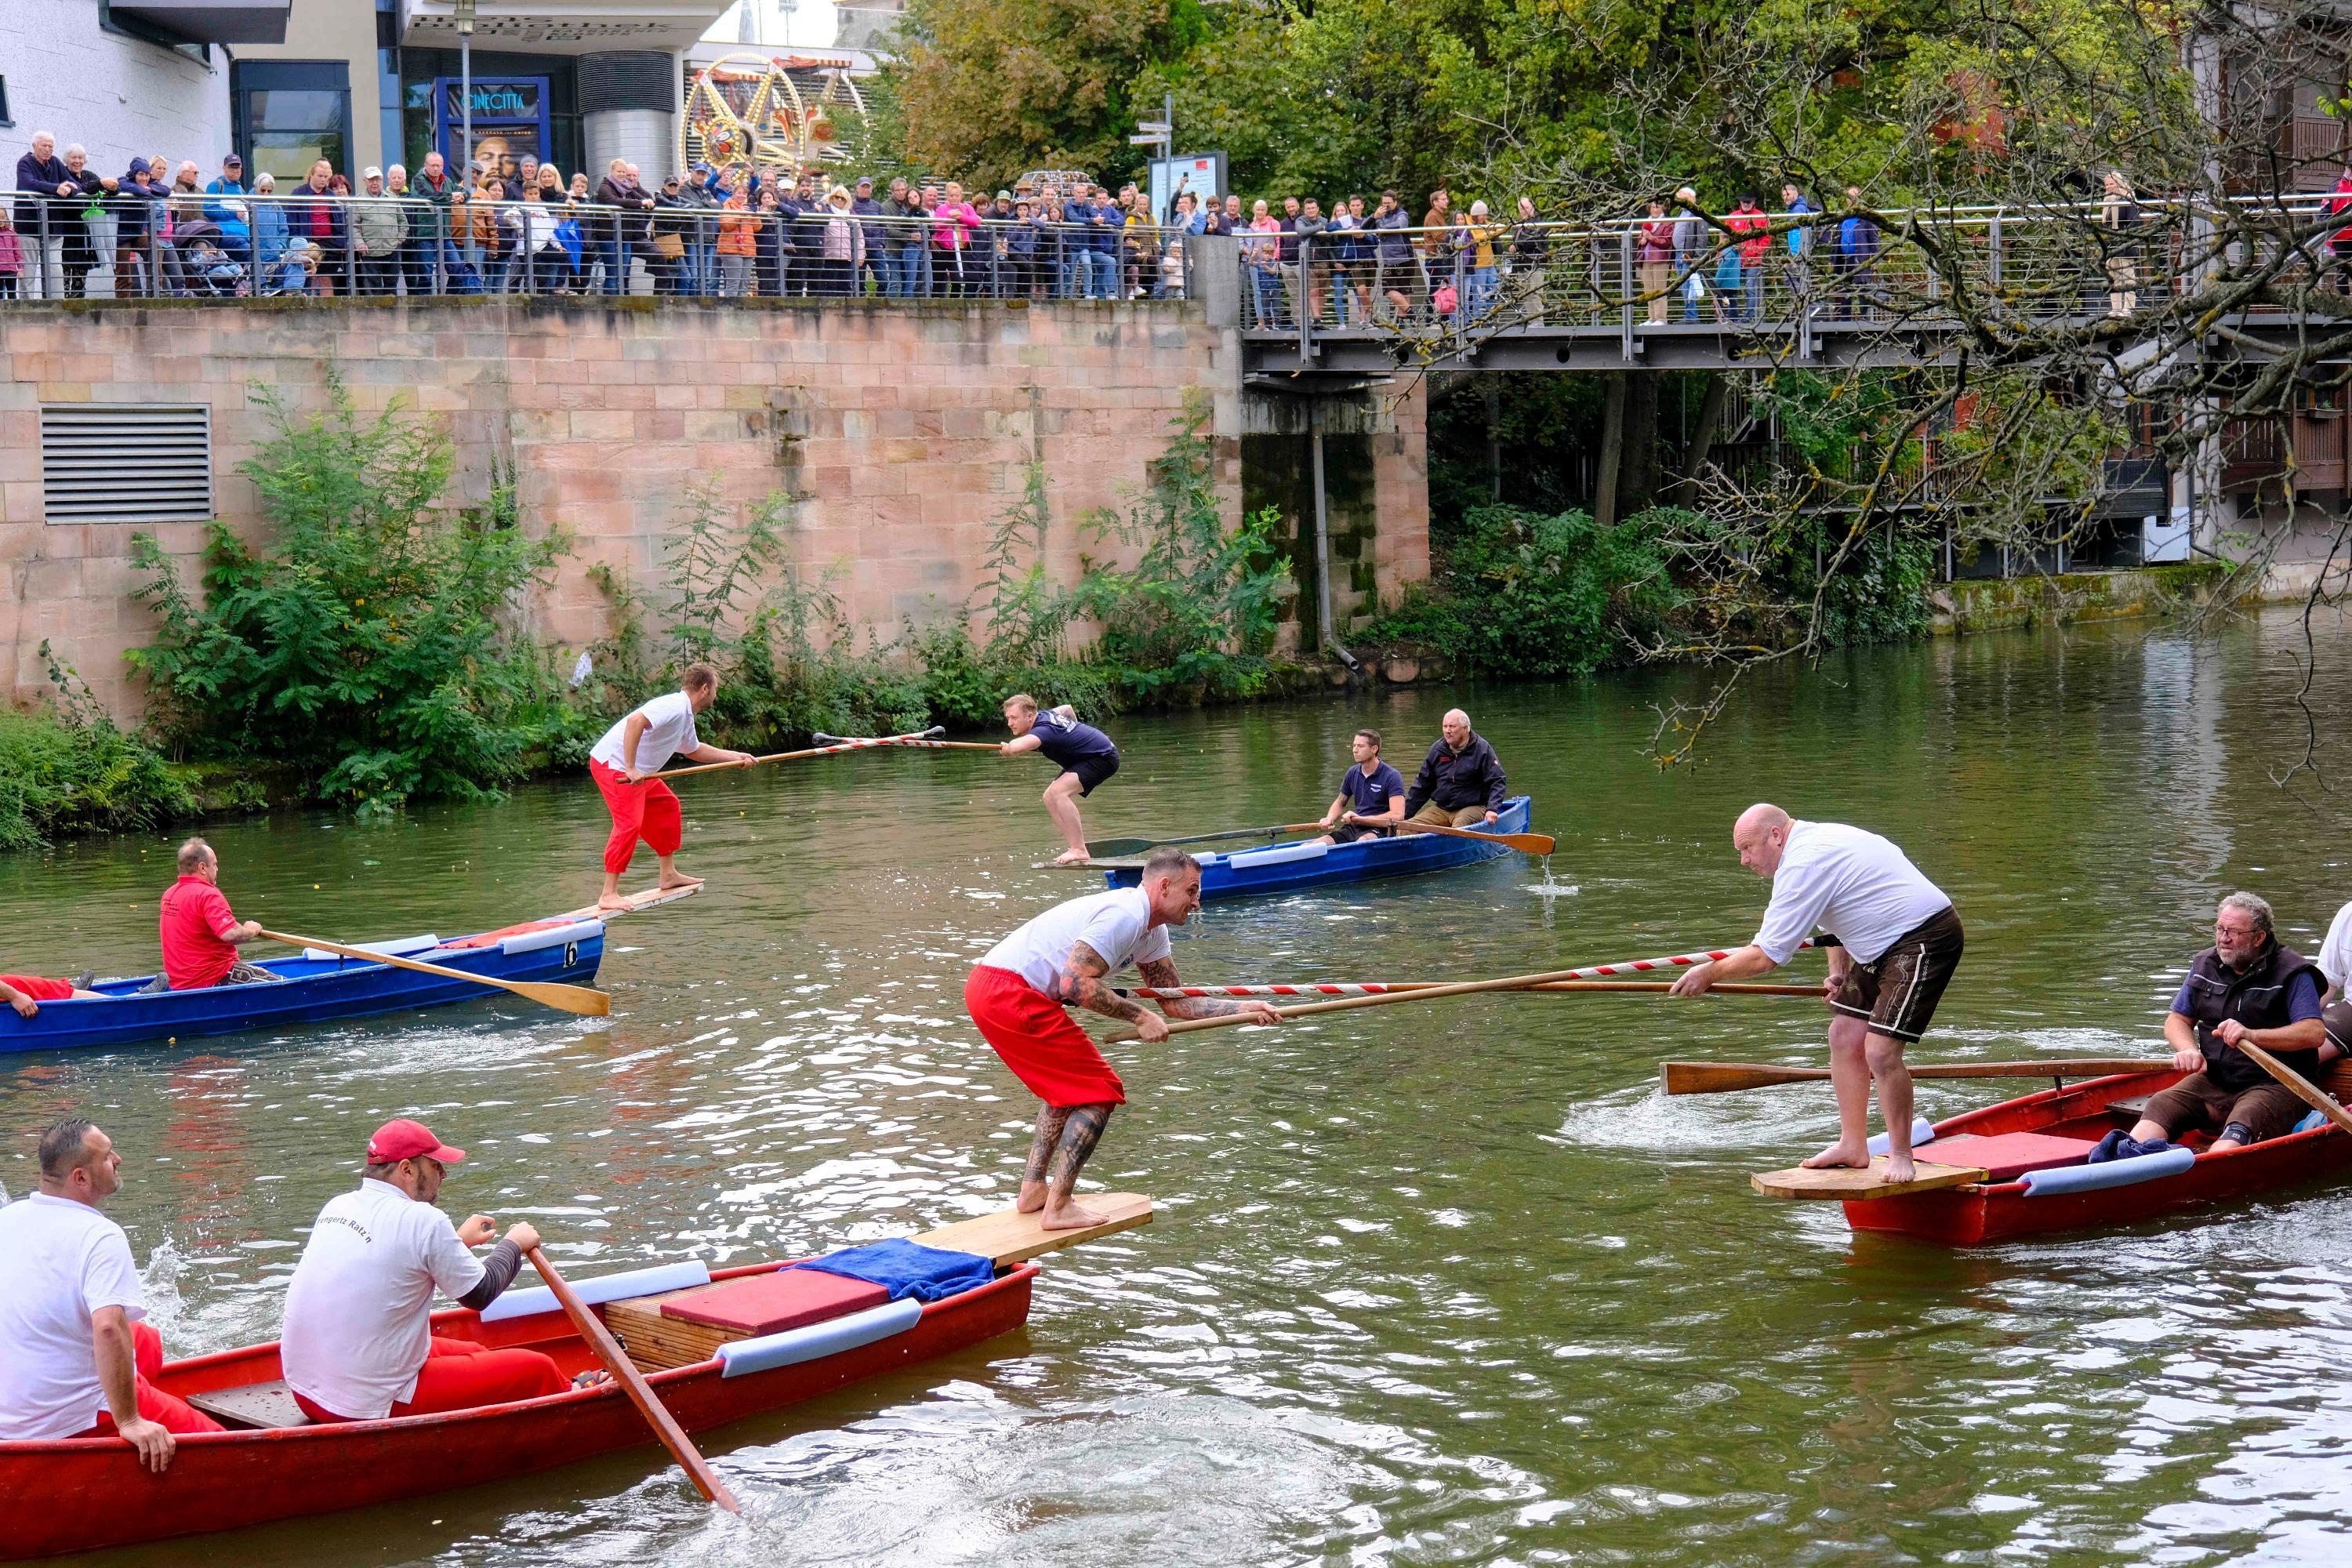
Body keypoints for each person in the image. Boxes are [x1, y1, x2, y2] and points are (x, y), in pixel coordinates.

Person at [964, 851, 1282, 1229]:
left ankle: (1034, 1190)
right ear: (1164, 886)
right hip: (1007, 992)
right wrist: (1140, 1016)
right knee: (1098, 1093)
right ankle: (1058, 1207)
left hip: (998, 990)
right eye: (1192, 891)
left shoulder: (1153, 932)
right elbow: (1075, 984)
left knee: (1069, 1090)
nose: (1198, 902)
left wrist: (1244, 1009)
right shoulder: (1125, 915)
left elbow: (1177, 1004)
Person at [1668, 805, 1965, 1183]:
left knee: (1879, 1051)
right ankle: (1853, 1146)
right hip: (1878, 945)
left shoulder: (1804, 861)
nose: (1744, 860)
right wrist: (1837, 973)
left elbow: (1765, 956)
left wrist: (1710, 972)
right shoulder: (1809, 846)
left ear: (1775, 835)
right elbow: (1833, 921)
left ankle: (1902, 1154)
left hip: (1924, 937)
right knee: (1844, 1035)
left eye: (1747, 848)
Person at [280, 1120, 580, 1424]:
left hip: (306, 1391)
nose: (443, 1174)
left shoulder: (338, 1207)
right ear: (407, 1169)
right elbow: (480, 1294)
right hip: (364, 1403)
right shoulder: (424, 1219)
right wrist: (514, 1244)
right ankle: (578, 1396)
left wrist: (456, 1242)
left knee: (475, 1351)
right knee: (537, 1369)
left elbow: (391, 1261)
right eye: (435, 1166)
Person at [0, 1118, 223, 1461]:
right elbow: (107, 1327)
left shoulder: (8, 1218)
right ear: (81, 1178)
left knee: (145, 1340)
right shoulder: (100, 1235)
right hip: (74, 1419)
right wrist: (130, 1421)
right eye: (106, 1156)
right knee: (222, 1444)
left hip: (14, 1410)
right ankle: (132, 1412)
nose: (118, 1159)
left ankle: (138, 1391)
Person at [2093, 895, 2326, 1162]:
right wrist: (2188, 1049)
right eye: (2219, 929)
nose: (2223, 938)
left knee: (2246, 1118)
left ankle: (2209, 1166)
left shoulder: (2293, 972)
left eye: (2233, 932)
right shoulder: (2205, 964)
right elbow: (2177, 1020)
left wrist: (2252, 1036)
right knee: (2161, 1103)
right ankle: (2123, 1161)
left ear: (2259, 937)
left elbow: (2314, 1033)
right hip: (2215, 1079)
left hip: (2276, 1084)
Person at [586, 663, 752, 910]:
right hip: (614, 766)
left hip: (638, 771)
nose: (716, 694)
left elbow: (693, 750)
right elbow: (635, 721)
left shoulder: (684, 715)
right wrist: (630, 768)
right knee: (629, 823)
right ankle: (608, 893)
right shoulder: (673, 705)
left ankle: (668, 874)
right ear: (705, 688)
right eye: (716, 688)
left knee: (667, 805)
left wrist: (736, 757)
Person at [1000, 694, 1121, 865]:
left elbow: (1015, 748)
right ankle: (1075, 845)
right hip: (1085, 758)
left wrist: (1008, 749)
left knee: (1059, 792)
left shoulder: (1043, 731)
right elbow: (1067, 709)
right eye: (1008, 718)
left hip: (1103, 757)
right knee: (1049, 797)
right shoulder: (1046, 715)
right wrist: (1073, 736)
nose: (1009, 723)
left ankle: (1079, 849)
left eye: (1014, 718)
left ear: (1030, 716)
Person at [151, 837, 272, 991]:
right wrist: (251, 930)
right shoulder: (207, 894)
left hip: (180, 983)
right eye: (214, 864)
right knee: (283, 983)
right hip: (214, 977)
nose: (217, 869)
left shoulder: (169, 895)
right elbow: (231, 934)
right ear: (203, 868)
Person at [1403, 710, 1505, 829]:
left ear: (1465, 729)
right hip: (1443, 808)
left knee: (1459, 826)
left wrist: (1492, 809)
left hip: (1474, 807)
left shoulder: (1482, 749)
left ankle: (1456, 839)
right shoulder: (1437, 750)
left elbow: (1498, 781)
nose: (1448, 731)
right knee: (1406, 829)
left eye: (1452, 726)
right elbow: (1422, 786)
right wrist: (1403, 815)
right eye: (1445, 726)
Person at [1315, 729, 1406, 844]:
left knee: (1362, 841)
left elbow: (1398, 815)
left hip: (1381, 830)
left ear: (1374, 749)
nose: (1355, 750)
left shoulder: (1392, 776)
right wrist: (1329, 818)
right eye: (1354, 746)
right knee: (1316, 844)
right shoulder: (1352, 773)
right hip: (1355, 827)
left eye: (1360, 746)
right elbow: (1340, 803)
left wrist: (1363, 819)